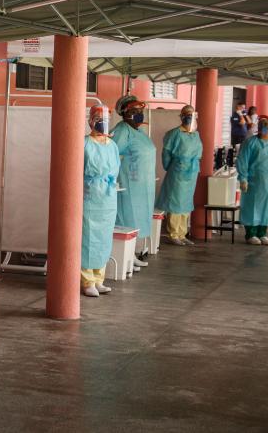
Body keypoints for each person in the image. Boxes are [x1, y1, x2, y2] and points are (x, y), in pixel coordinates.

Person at [112, 95, 156, 270]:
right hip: (128, 184)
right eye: (134, 112)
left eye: (140, 112)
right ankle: (126, 256)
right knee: (128, 219)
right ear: (125, 114)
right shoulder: (123, 130)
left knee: (138, 220)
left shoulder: (140, 132)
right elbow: (111, 153)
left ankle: (131, 255)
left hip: (143, 185)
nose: (139, 115)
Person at [81, 105, 120, 298]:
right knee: (88, 238)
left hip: (108, 198)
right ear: (91, 121)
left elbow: (116, 169)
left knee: (104, 238)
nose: (103, 121)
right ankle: (87, 280)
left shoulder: (112, 145)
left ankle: (99, 279)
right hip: (89, 197)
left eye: (105, 117)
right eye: (98, 117)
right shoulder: (84, 143)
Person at [155, 105, 203, 246]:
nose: (189, 117)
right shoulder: (174, 134)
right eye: (187, 114)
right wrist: (173, 167)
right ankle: (173, 233)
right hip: (177, 172)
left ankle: (182, 233)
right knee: (175, 203)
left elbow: (198, 153)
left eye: (191, 114)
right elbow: (166, 155)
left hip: (192, 172)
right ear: (181, 116)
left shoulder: (195, 134)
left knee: (186, 204)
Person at [236, 115, 268, 245]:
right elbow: (243, 161)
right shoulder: (250, 143)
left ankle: (262, 233)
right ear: (258, 128)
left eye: (267, 127)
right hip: (254, 181)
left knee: (267, 208)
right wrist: (243, 178)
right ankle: (251, 234)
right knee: (252, 207)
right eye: (263, 127)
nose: (266, 129)